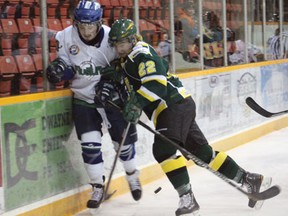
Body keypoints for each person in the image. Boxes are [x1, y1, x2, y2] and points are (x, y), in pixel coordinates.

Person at [104, 19, 273, 216]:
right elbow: (135, 83)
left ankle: (188, 199)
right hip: (178, 105)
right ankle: (249, 179)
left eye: (121, 43)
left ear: (132, 39)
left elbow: (156, 84)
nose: (118, 47)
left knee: (162, 150)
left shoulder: (140, 53)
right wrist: (117, 80)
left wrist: (136, 104)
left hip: (172, 106)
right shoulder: (128, 60)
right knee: (202, 154)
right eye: (115, 44)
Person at [45, 1, 142, 209]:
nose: (87, 31)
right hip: (83, 98)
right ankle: (97, 186)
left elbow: (122, 65)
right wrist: (60, 70)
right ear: (75, 23)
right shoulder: (64, 36)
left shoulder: (111, 36)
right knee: (89, 145)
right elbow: (68, 66)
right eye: (82, 26)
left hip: (112, 99)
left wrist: (111, 84)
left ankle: (132, 173)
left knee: (123, 145)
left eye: (91, 25)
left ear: (99, 22)